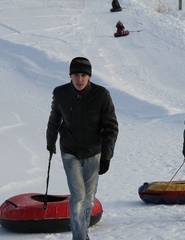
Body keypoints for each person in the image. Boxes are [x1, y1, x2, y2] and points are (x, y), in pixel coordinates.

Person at [46, 57, 119, 240]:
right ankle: (79, 237)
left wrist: (106, 156)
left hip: (93, 152)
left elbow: (111, 127)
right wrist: (50, 141)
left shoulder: (101, 95)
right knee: (78, 196)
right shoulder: (61, 93)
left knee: (89, 198)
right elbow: (55, 120)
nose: (80, 79)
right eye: (76, 75)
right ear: (70, 75)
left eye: (84, 75)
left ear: (89, 76)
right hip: (70, 151)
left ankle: (82, 233)